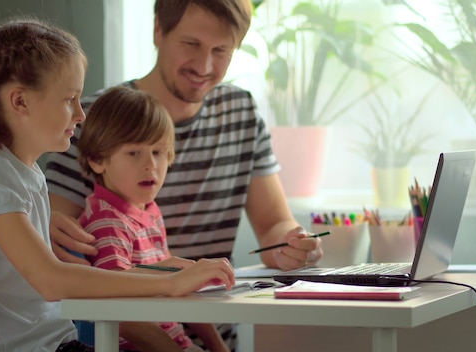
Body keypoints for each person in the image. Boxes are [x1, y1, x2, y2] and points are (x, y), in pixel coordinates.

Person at [0, 17, 234, 352]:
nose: (81, 114)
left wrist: (163, 273)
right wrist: (169, 283)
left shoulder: (22, 172)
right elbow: (53, 280)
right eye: (70, 99)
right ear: (20, 101)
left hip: (57, 341)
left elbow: (65, 275)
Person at [45, 0, 324, 348]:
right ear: (158, 31)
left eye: (221, 50)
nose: (205, 65)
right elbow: (76, 267)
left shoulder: (242, 113)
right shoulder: (91, 119)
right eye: (191, 45)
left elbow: (273, 228)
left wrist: (292, 245)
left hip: (213, 335)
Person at [77, 86, 229, 352]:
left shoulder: (149, 210)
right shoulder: (107, 220)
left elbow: (182, 289)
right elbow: (117, 304)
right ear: (98, 160)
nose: (150, 165)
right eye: (134, 153)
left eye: (158, 152)